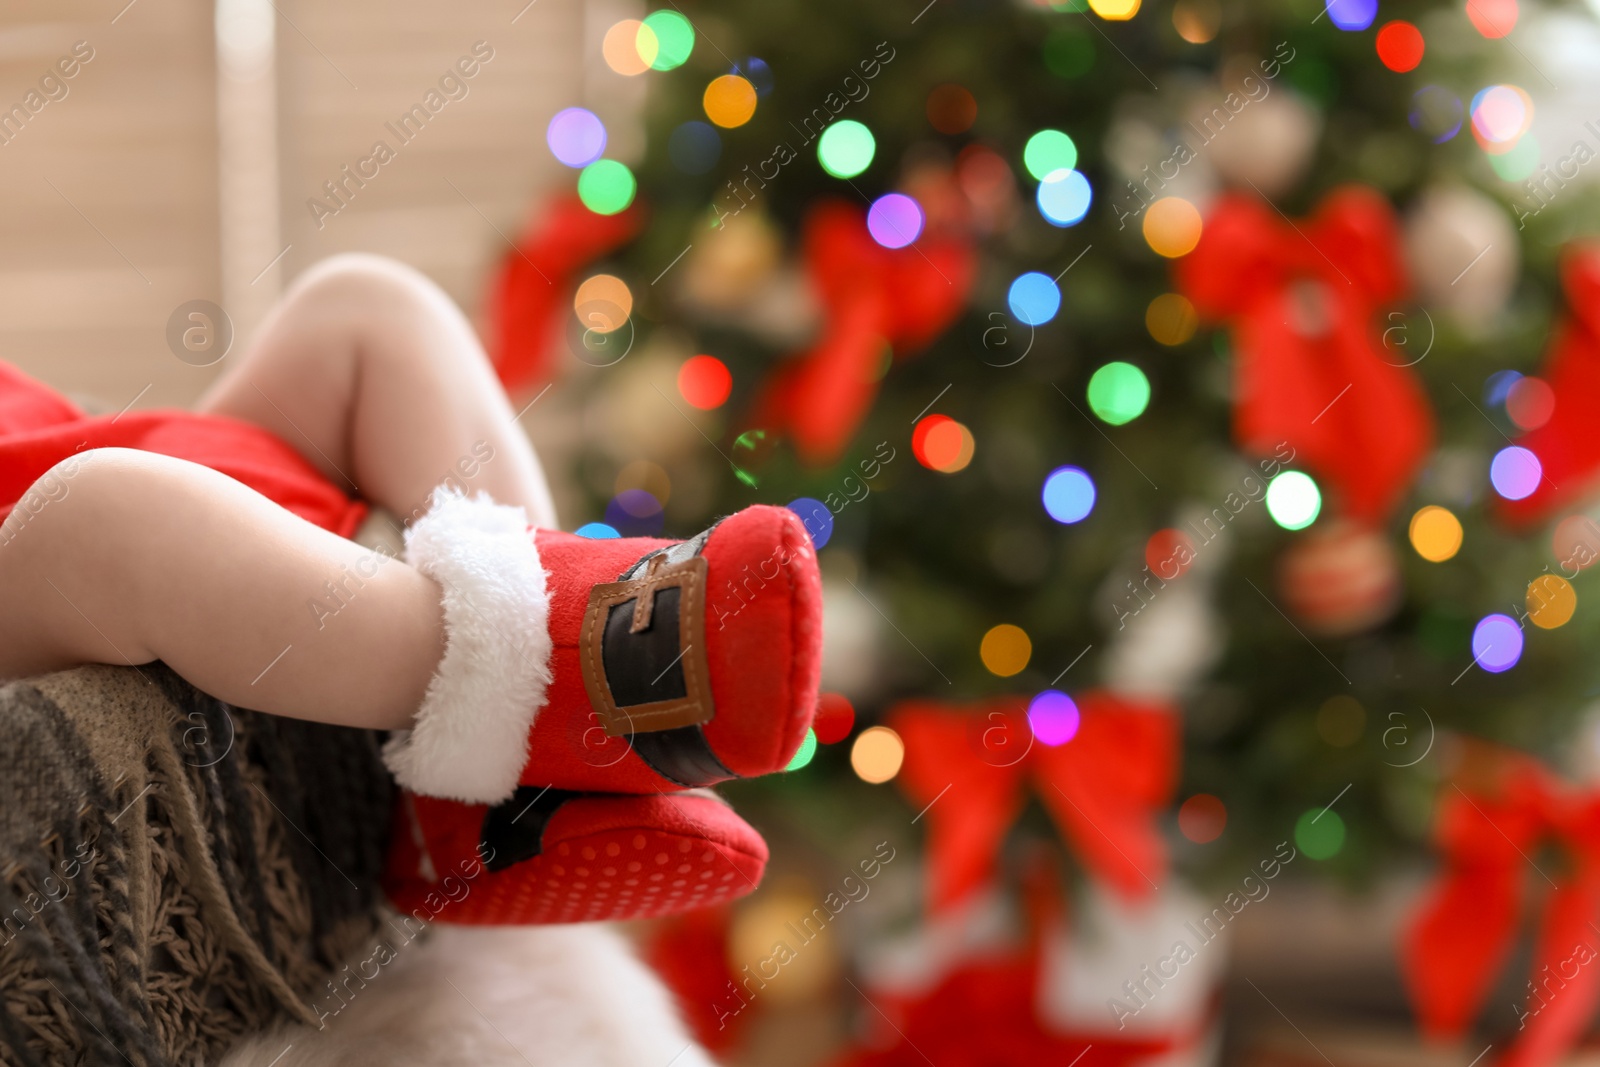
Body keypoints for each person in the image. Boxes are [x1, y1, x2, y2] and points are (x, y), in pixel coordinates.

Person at [0, 253, 823, 924]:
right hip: (42, 558)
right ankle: (569, 672)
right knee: (103, 520)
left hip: (145, 461)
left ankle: (497, 789)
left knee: (365, 307)